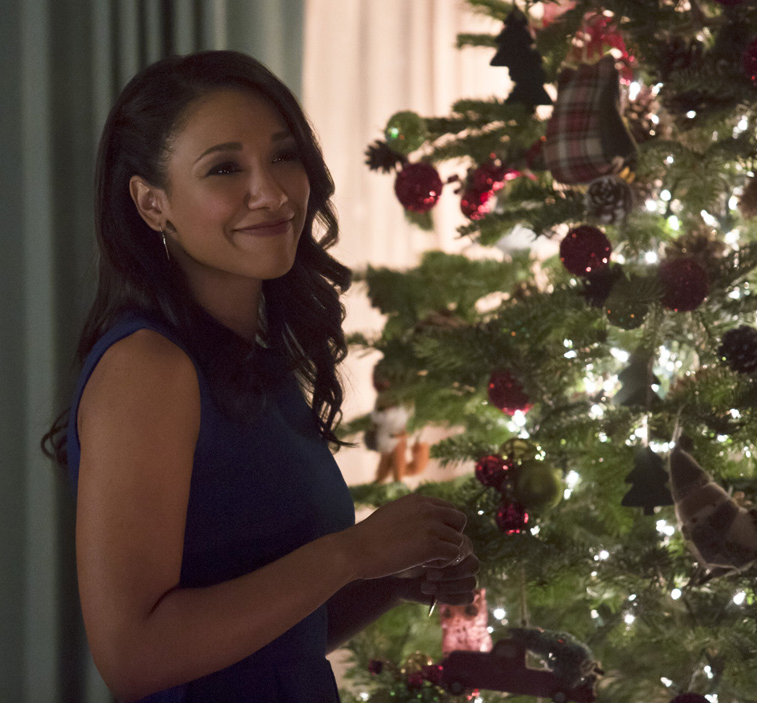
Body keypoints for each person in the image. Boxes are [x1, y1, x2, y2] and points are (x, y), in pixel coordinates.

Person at [41, 50, 479, 702]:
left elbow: (276, 645)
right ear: (152, 203)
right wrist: (352, 554)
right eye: (225, 168)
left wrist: (390, 579)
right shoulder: (147, 369)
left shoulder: (255, 361)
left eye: (284, 156)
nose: (272, 192)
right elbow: (133, 657)